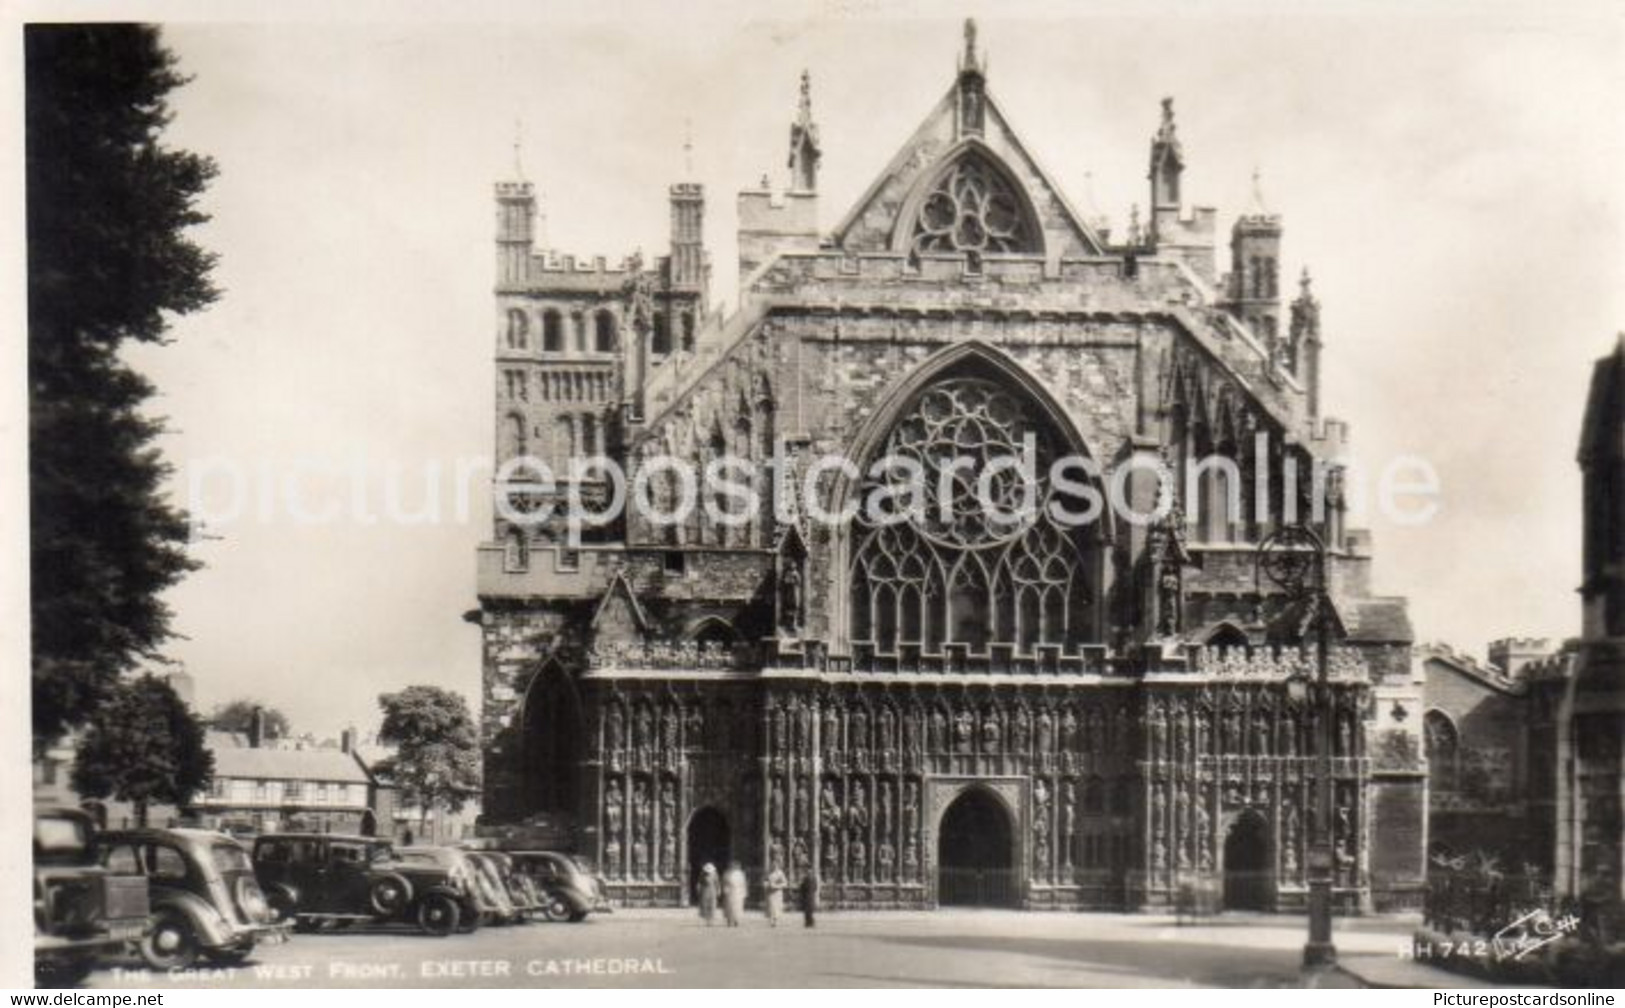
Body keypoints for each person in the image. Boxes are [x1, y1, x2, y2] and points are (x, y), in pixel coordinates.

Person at [721, 862, 747, 927]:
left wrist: (744, 892)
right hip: (729, 892)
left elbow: (743, 884)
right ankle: (729, 920)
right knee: (729, 906)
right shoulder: (727, 873)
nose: (733, 867)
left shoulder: (741, 874)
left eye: (735, 866)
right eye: (732, 866)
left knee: (738, 907)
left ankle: (736, 920)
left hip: (738, 892)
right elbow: (724, 883)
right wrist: (725, 889)